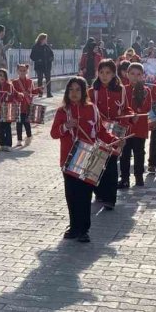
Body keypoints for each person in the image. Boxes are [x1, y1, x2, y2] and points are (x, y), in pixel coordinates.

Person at [50, 77, 118, 243]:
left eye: (78, 90)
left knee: (85, 195)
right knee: (72, 195)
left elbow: (101, 131)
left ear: (83, 92)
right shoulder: (62, 111)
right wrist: (66, 126)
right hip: (68, 159)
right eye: (71, 90)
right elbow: (54, 133)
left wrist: (115, 140)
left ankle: (84, 230)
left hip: (88, 157)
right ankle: (74, 227)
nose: (74, 93)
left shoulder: (92, 109)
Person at [90, 59, 132, 209]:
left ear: (114, 73)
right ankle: (99, 192)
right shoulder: (92, 91)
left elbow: (126, 109)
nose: (104, 75)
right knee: (97, 163)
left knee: (112, 164)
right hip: (98, 131)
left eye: (108, 72)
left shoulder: (121, 90)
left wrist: (130, 117)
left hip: (116, 131)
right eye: (101, 72)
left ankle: (110, 199)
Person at [120, 63, 151, 188]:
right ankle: (125, 179)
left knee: (139, 153)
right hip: (126, 128)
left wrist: (140, 98)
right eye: (132, 74)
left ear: (143, 76)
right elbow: (121, 107)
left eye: (138, 74)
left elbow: (147, 108)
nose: (135, 77)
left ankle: (139, 177)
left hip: (140, 127)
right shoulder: (123, 89)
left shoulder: (146, 90)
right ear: (127, 74)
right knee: (125, 154)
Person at [0, 68, 23, 152]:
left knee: (7, 127)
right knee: (1, 127)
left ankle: (8, 144)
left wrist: (19, 94)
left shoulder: (9, 85)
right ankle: (2, 144)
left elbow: (15, 93)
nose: (2, 77)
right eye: (0, 75)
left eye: (4, 75)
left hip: (8, 108)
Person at [12, 63, 42, 147]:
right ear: (17, 71)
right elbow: (13, 93)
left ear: (27, 71)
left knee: (27, 123)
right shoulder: (14, 82)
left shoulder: (30, 81)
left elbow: (33, 92)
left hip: (28, 105)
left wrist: (39, 90)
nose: (22, 72)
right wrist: (18, 95)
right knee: (19, 123)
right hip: (18, 106)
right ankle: (19, 140)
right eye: (20, 70)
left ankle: (29, 137)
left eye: (24, 70)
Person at [30, 32, 55, 98]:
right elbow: (32, 56)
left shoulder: (47, 47)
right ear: (41, 39)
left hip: (47, 66)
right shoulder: (35, 47)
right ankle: (40, 93)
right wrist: (38, 59)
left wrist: (51, 59)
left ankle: (49, 93)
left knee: (48, 79)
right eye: (45, 39)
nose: (46, 40)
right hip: (39, 66)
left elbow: (52, 55)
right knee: (40, 79)